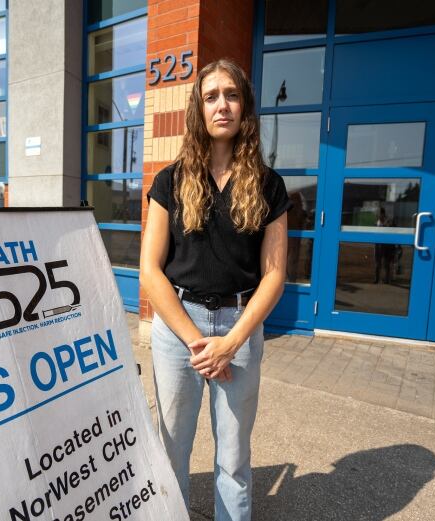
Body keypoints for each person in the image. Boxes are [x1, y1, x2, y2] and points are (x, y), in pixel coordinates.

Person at [139, 59, 291, 520]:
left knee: (233, 460)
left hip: (238, 331)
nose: (221, 105)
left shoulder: (268, 183)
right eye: (211, 96)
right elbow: (149, 270)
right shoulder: (170, 180)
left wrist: (230, 342)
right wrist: (198, 343)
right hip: (177, 333)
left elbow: (274, 275)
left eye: (231, 94)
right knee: (172, 452)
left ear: (244, 106)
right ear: (198, 110)